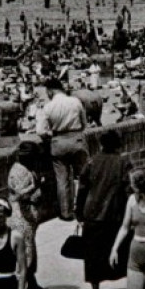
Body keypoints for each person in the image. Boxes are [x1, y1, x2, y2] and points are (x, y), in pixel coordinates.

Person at [75, 129, 131, 289]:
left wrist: (79, 212)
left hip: (93, 215)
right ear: (118, 145)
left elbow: (82, 189)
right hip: (116, 214)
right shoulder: (123, 162)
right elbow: (129, 189)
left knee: (93, 257)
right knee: (125, 252)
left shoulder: (91, 162)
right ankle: (136, 287)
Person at [37, 76, 88, 223]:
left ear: (51, 91)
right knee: (83, 176)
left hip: (58, 142)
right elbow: (84, 124)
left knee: (62, 180)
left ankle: (66, 213)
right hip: (77, 139)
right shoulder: (75, 101)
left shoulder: (48, 107)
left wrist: (51, 134)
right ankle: (83, 208)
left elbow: (40, 131)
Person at [6, 140, 49, 289]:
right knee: (25, 254)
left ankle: (32, 285)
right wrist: (36, 185)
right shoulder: (21, 172)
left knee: (28, 251)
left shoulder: (22, 169)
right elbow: (20, 194)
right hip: (21, 218)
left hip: (25, 217)